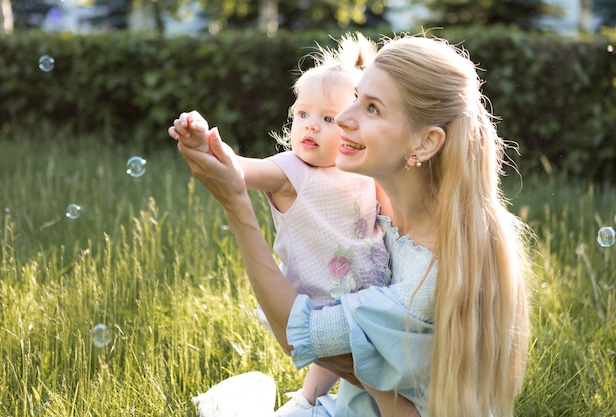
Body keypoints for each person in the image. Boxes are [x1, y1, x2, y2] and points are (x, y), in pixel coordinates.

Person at [172, 33, 532, 417]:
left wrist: (235, 204)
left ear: (425, 144)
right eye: (356, 98)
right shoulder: (392, 207)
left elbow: (299, 335)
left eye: (372, 109)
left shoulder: (427, 278)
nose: (343, 118)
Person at [170, 34, 393, 413]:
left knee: (368, 374)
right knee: (335, 357)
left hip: (368, 295)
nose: (310, 126)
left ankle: (324, 401)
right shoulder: (293, 170)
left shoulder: (364, 170)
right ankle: (305, 401)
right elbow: (240, 170)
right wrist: (207, 144)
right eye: (302, 114)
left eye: (328, 118)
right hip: (321, 300)